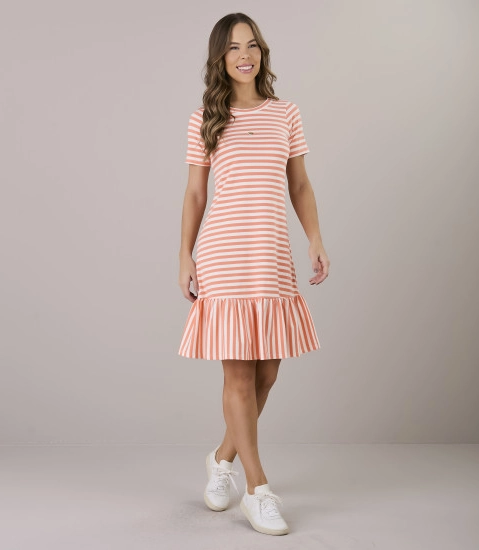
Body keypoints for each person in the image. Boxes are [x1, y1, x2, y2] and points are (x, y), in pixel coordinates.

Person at [177, 13, 329, 536]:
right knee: (238, 376)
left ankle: (222, 459)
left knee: (268, 374)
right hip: (224, 255)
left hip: (272, 256)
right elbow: (195, 193)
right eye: (234, 48)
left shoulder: (286, 113)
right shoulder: (205, 118)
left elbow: (300, 185)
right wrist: (184, 254)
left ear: (262, 53)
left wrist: (314, 238)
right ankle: (258, 490)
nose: (245, 55)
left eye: (253, 46)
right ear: (220, 58)